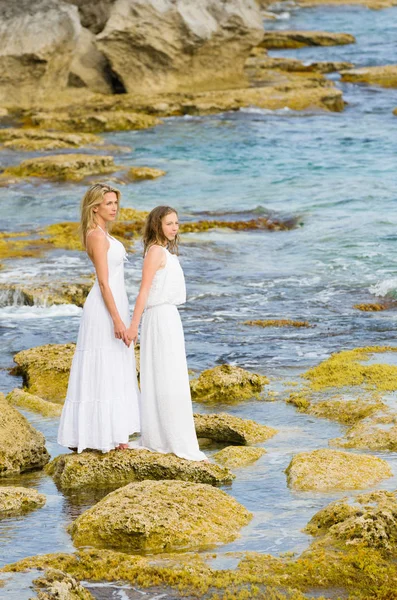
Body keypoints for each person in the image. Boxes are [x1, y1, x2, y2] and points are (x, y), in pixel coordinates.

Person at [58, 183, 140, 453]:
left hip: (115, 304)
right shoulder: (96, 235)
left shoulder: (104, 232)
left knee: (115, 364)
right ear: (95, 207)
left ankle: (117, 434)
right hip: (105, 309)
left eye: (116, 202)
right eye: (109, 203)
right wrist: (118, 320)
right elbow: (103, 283)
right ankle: (101, 436)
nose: (114, 207)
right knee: (103, 365)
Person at [126, 206, 206, 461]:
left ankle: (170, 435)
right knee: (165, 375)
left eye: (177, 223)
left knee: (171, 375)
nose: (175, 228)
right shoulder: (156, 252)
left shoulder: (165, 252)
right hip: (158, 317)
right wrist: (133, 326)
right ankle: (168, 439)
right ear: (157, 225)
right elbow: (144, 291)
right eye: (169, 223)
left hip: (169, 317)